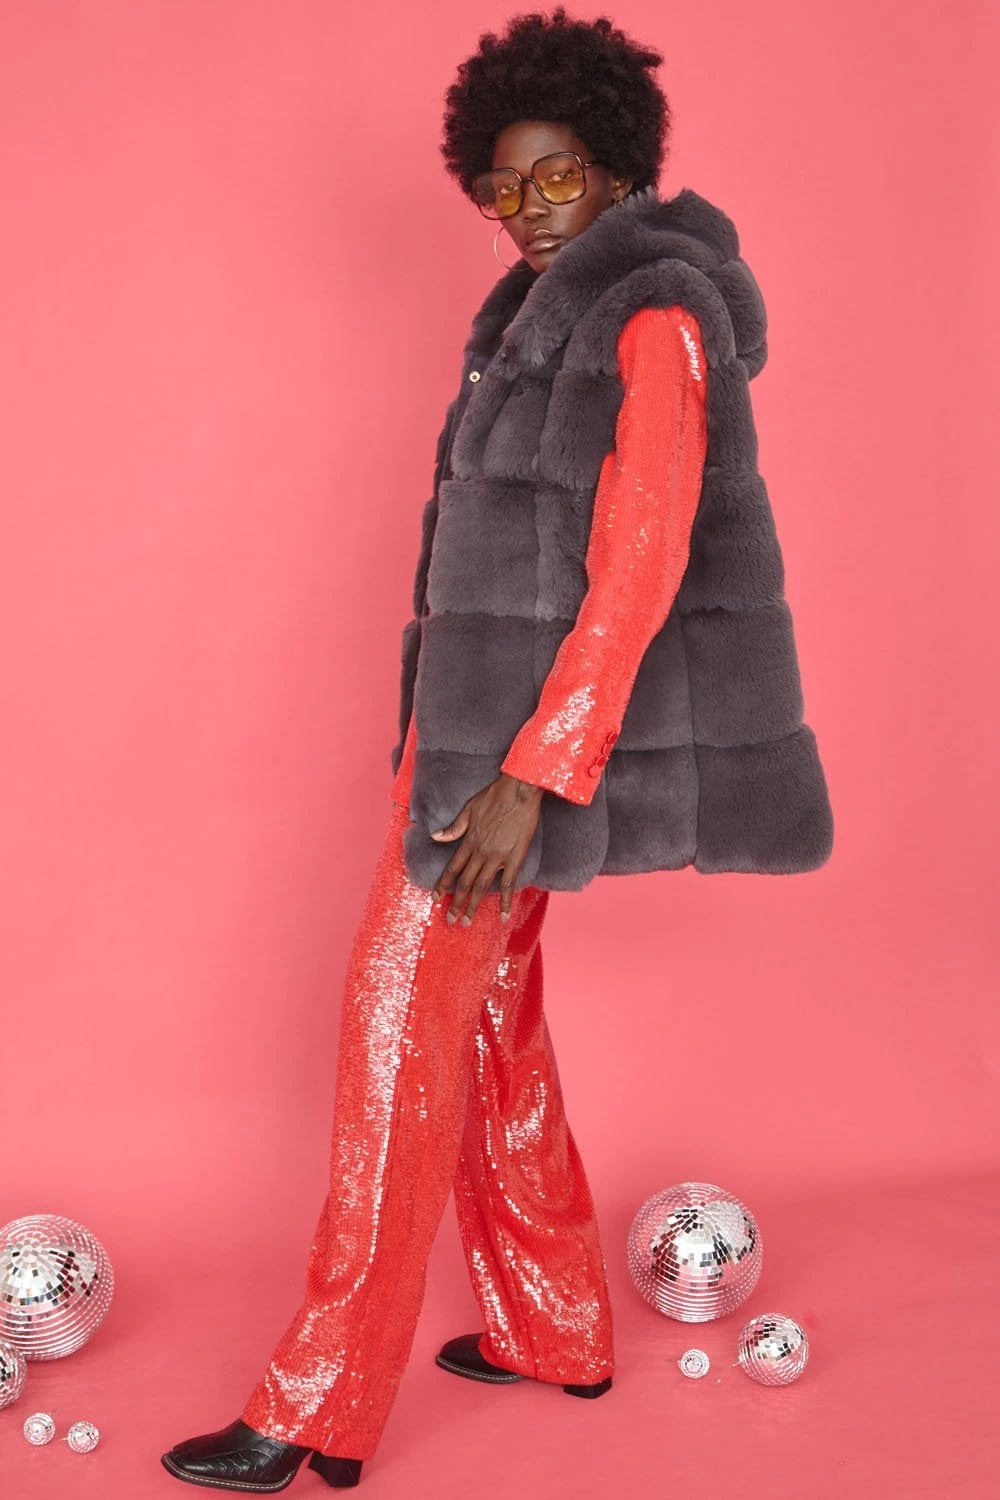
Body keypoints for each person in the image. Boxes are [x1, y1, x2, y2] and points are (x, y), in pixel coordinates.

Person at [161, 7, 833, 1492]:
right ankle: (555, 1321)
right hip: (472, 754)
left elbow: (641, 565)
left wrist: (536, 773)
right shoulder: (539, 317)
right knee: (488, 1026)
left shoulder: (649, 318)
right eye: (505, 185)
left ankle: (318, 1400)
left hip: (511, 773)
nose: (529, 207)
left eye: (559, 174)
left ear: (622, 164)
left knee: (392, 1032)